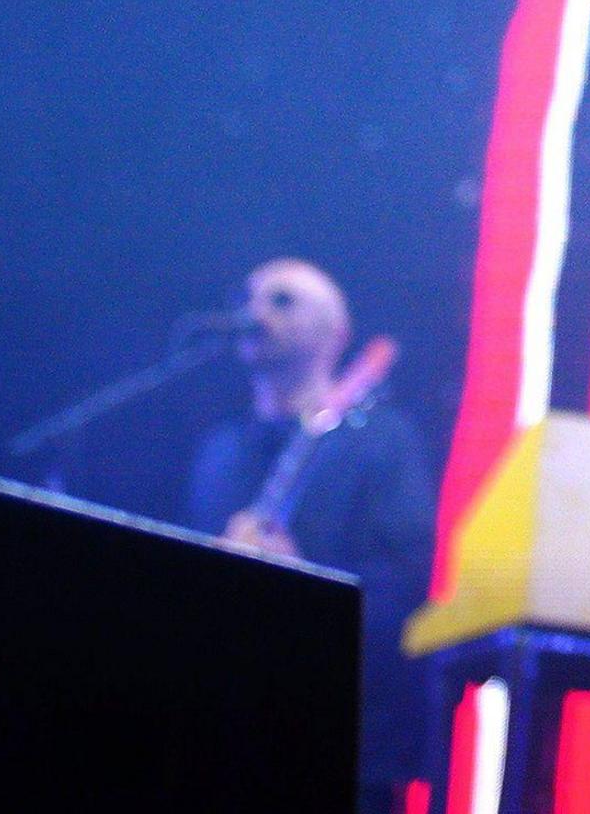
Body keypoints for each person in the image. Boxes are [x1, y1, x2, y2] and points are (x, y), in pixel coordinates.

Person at [185, 257, 438, 814]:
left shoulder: (382, 442)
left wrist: (304, 579)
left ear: (334, 335)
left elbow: (404, 583)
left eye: (282, 301)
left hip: (341, 737)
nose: (255, 312)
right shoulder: (218, 452)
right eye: (248, 298)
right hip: (225, 737)